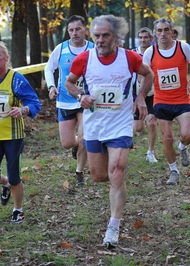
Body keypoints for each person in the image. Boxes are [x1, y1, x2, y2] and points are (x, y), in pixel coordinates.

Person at [65, 15, 154, 249]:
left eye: (105, 35)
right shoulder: (84, 59)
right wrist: (80, 96)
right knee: (98, 175)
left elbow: (149, 74)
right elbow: (69, 83)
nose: (101, 40)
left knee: (117, 170)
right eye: (97, 36)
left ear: (116, 37)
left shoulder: (130, 58)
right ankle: (117, 183)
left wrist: (141, 97)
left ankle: (113, 225)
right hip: (95, 125)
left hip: (120, 122)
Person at [0, 40, 42, 223]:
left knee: (15, 177)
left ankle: (18, 210)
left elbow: (34, 102)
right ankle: (4, 185)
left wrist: (23, 110)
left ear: (6, 58)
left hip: (13, 136)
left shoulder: (16, 79)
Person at [143, 18, 190, 185]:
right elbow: (145, 75)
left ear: (171, 31)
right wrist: (142, 98)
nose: (163, 33)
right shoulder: (150, 52)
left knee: (187, 135)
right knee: (167, 139)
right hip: (161, 101)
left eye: (166, 30)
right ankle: (173, 172)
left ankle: (183, 147)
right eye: (159, 30)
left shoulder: (183, 47)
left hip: (182, 99)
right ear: (155, 33)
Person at [44, 15, 94, 186]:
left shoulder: (93, 49)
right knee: (67, 143)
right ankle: (76, 145)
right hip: (65, 101)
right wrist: (51, 87)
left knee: (84, 139)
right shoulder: (61, 48)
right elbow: (48, 68)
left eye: (78, 29)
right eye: (71, 30)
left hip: (86, 101)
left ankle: (79, 171)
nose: (75, 33)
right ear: (68, 31)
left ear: (85, 29)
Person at [132, 27, 158, 163]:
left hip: (153, 93)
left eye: (146, 37)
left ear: (151, 39)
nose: (143, 40)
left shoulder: (156, 53)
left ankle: (150, 152)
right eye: (140, 38)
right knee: (139, 127)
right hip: (136, 93)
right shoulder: (132, 54)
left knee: (152, 123)